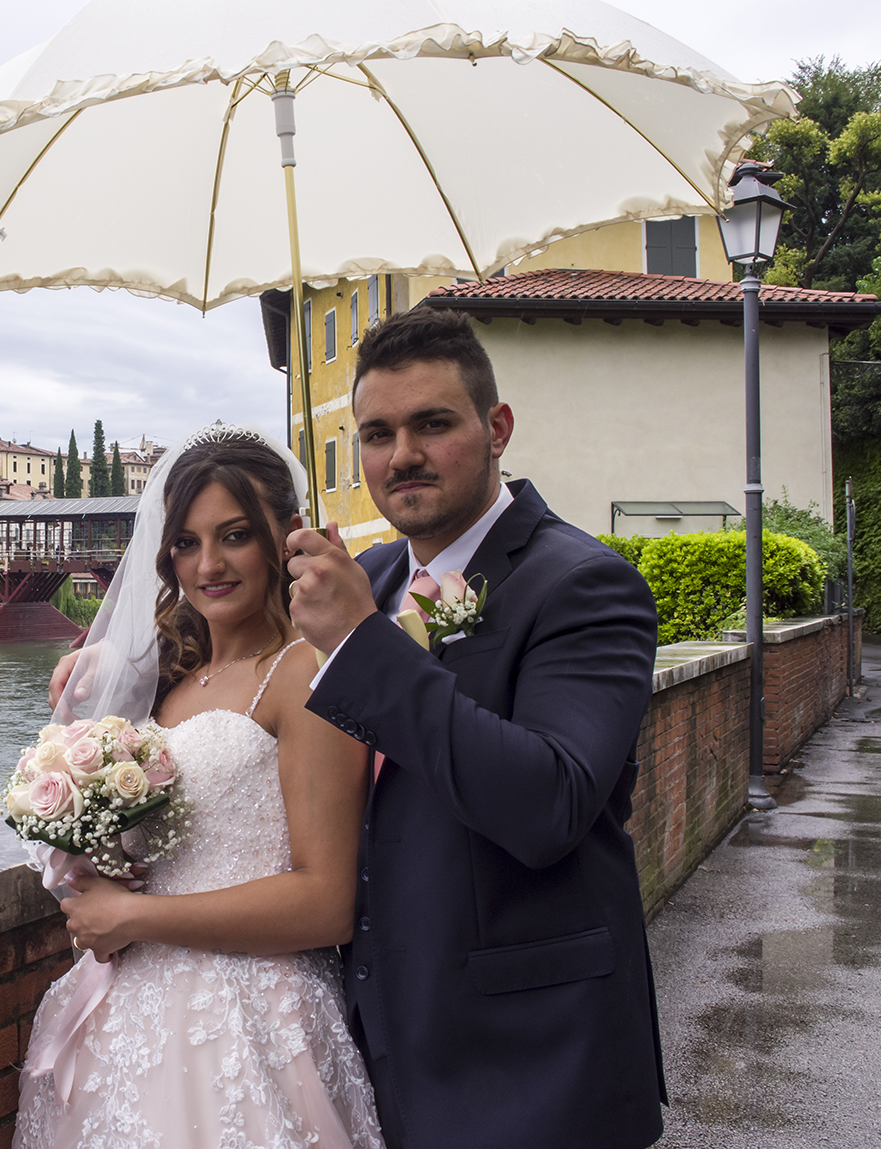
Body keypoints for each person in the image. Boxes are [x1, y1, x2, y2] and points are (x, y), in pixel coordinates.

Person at [284, 306, 667, 1149]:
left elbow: (549, 804)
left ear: (497, 428)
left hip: (532, 1063)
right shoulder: (368, 576)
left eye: (433, 424)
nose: (402, 456)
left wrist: (360, 642)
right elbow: (253, 691)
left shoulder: (585, 586)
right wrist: (117, 671)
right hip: (375, 1043)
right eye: (377, 433)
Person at [19, 425, 384, 1149]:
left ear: (287, 536)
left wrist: (134, 918)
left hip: (248, 1020)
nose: (207, 564)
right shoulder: (168, 681)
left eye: (235, 535)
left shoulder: (307, 672)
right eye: (185, 543)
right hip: (129, 1018)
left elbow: (325, 904)